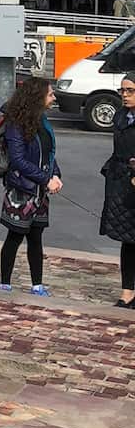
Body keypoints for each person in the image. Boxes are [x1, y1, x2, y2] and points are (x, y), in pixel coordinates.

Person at [0, 78, 63, 296]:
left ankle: (37, 284)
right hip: (22, 190)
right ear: (38, 96)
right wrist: (45, 179)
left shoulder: (42, 121)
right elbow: (18, 160)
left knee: (36, 237)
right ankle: (5, 282)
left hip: (39, 192)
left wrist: (55, 174)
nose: (53, 98)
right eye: (50, 94)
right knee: (14, 236)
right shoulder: (16, 123)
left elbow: (49, 153)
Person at [100, 75, 135, 307]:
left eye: (130, 90)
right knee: (127, 238)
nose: (124, 95)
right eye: (122, 90)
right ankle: (127, 290)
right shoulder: (121, 115)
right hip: (121, 180)